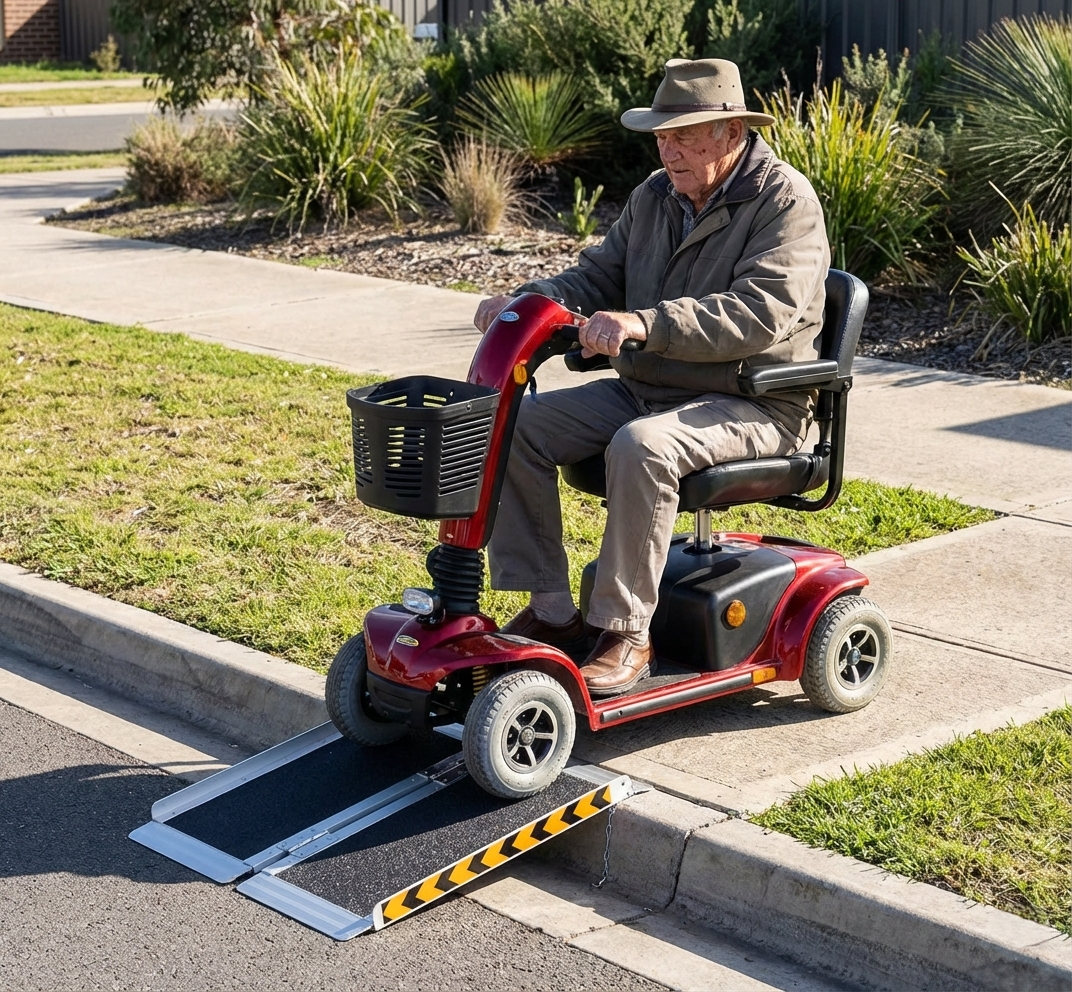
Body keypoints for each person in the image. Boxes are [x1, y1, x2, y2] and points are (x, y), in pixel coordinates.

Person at [476, 58, 831, 697]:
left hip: (754, 402)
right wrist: (525, 304)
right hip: (650, 389)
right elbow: (596, 276)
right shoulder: (656, 195)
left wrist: (644, 323)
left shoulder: (785, 202)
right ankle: (552, 611)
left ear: (730, 132)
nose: (667, 151)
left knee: (642, 446)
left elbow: (759, 313)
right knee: (517, 424)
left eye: (683, 136)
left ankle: (626, 633)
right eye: (662, 137)